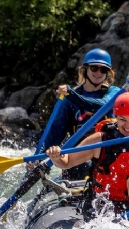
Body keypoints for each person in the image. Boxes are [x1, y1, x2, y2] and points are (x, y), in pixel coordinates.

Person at [46, 91, 129, 211]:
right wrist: (57, 157)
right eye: (122, 119)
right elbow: (66, 162)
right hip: (103, 207)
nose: (127, 125)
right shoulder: (101, 140)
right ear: (116, 119)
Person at [37, 48, 122, 181]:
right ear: (85, 69)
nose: (99, 73)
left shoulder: (113, 93)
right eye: (94, 68)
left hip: (106, 155)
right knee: (79, 166)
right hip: (78, 158)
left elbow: (101, 105)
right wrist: (39, 158)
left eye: (103, 69)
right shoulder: (69, 100)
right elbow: (55, 133)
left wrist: (71, 94)